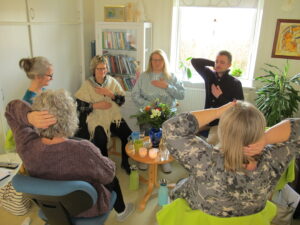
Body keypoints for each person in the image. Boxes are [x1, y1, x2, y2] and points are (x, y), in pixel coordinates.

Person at [5, 90, 135, 221]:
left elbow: (11, 109)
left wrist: (29, 116)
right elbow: (109, 173)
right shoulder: (84, 149)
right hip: (88, 208)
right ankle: (122, 212)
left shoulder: (26, 145)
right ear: (70, 117)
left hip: (52, 208)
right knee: (112, 179)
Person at [160, 100, 299, 220]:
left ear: (223, 132)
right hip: (249, 218)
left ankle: (166, 193)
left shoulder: (206, 161)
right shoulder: (272, 161)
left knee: (178, 187)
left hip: (200, 215)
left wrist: (218, 111)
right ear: (260, 131)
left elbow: (171, 128)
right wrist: (266, 138)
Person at [75, 55, 132, 175]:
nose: (102, 71)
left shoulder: (112, 81)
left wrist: (110, 94)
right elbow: (79, 106)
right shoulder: (87, 85)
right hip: (96, 118)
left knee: (127, 134)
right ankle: (105, 166)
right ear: (93, 70)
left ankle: (125, 162)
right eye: (99, 69)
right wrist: (95, 106)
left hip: (112, 116)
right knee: (101, 138)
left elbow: (121, 101)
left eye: (104, 68)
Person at [131, 49, 185, 172]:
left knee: (165, 136)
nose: (157, 62)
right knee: (147, 134)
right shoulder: (144, 76)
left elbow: (181, 95)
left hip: (167, 113)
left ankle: (163, 158)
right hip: (148, 112)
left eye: (159, 59)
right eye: (154, 60)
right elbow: (135, 94)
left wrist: (167, 86)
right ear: (150, 61)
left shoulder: (171, 76)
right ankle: (145, 157)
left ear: (164, 61)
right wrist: (148, 105)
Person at [191, 51, 244, 145]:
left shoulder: (235, 83)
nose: (218, 64)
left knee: (211, 143)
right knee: (186, 132)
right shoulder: (209, 75)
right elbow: (195, 61)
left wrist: (220, 96)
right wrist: (214, 64)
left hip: (221, 123)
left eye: (222, 62)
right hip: (207, 118)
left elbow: (239, 107)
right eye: (217, 61)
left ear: (229, 65)